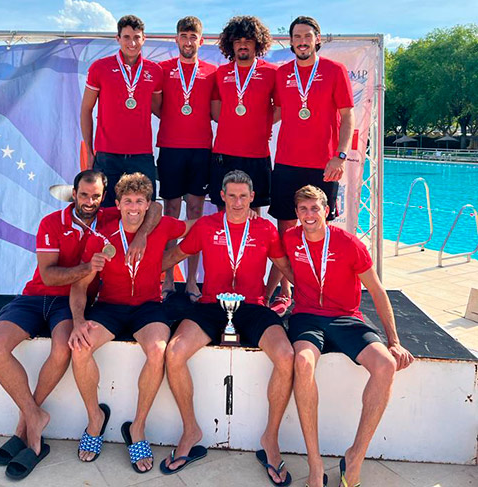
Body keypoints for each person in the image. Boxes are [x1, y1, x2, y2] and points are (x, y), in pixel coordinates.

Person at [0, 170, 160, 479]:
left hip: (70, 303)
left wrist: (143, 234)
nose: (89, 202)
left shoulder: (110, 216)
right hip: (35, 296)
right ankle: (32, 416)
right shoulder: (52, 223)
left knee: (65, 348)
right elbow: (50, 276)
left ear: (104, 199)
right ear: (73, 194)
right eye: (83, 195)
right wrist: (85, 267)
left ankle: (28, 424)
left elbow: (154, 207)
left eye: (95, 196)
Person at [161, 170, 295, 486]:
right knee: (174, 352)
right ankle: (190, 430)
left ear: (252, 198)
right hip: (210, 306)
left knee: (287, 356)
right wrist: (135, 268)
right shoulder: (207, 225)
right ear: (222, 196)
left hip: (251, 308)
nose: (237, 202)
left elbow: (286, 266)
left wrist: (312, 290)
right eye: (231, 196)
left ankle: (270, 440)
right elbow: (175, 255)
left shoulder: (265, 229)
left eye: (243, 197)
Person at [284, 185, 413, 487]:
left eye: (314, 208)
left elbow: (378, 291)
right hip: (306, 317)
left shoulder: (349, 243)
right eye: (303, 209)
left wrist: (393, 340)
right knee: (302, 363)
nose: (309, 215)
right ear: (296, 213)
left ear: (327, 211)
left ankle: (355, 456)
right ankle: (314, 464)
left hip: (345, 318)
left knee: (385, 365)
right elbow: (280, 265)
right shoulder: (290, 239)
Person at [68, 173, 194, 473]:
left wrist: (241, 215)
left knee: (157, 350)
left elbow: (196, 227)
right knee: (80, 348)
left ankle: (137, 428)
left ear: (149, 204)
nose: (134, 208)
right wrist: (77, 321)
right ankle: (95, 419)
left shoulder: (162, 225)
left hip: (148, 307)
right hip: (109, 307)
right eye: (128, 202)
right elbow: (78, 284)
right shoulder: (102, 235)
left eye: (140, 201)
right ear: (118, 203)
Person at [268, 15, 355, 313]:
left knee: (319, 229)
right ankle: (285, 291)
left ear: (317, 39)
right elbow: (277, 111)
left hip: (323, 164)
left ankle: (320, 290)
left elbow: (347, 116)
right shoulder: (281, 74)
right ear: (290, 41)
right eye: (297, 37)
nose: (302, 41)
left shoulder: (335, 70)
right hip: (287, 162)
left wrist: (340, 155)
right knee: (285, 228)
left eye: (307, 36)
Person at [156, 16, 218, 301]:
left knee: (196, 214)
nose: (189, 41)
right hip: (170, 149)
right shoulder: (162, 70)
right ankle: (168, 279)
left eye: (194, 36)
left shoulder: (212, 72)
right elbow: (158, 107)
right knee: (170, 214)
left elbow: (217, 111)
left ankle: (193, 281)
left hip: (201, 150)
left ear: (201, 41)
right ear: (176, 39)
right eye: (184, 36)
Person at [81, 15, 163, 207]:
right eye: (126, 37)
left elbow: (160, 110)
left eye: (136, 37)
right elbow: (86, 109)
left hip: (141, 156)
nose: (132, 43)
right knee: (105, 211)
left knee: (145, 209)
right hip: (107, 156)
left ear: (144, 38)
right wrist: (89, 151)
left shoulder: (155, 71)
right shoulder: (100, 68)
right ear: (117, 39)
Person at [209, 16, 276, 213]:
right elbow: (216, 110)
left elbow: (279, 109)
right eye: (238, 41)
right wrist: (235, 124)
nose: (243, 45)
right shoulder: (220, 73)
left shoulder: (271, 72)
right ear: (231, 44)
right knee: (223, 208)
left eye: (248, 40)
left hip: (256, 153)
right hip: (224, 152)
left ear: (258, 42)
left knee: (253, 210)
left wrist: (261, 124)